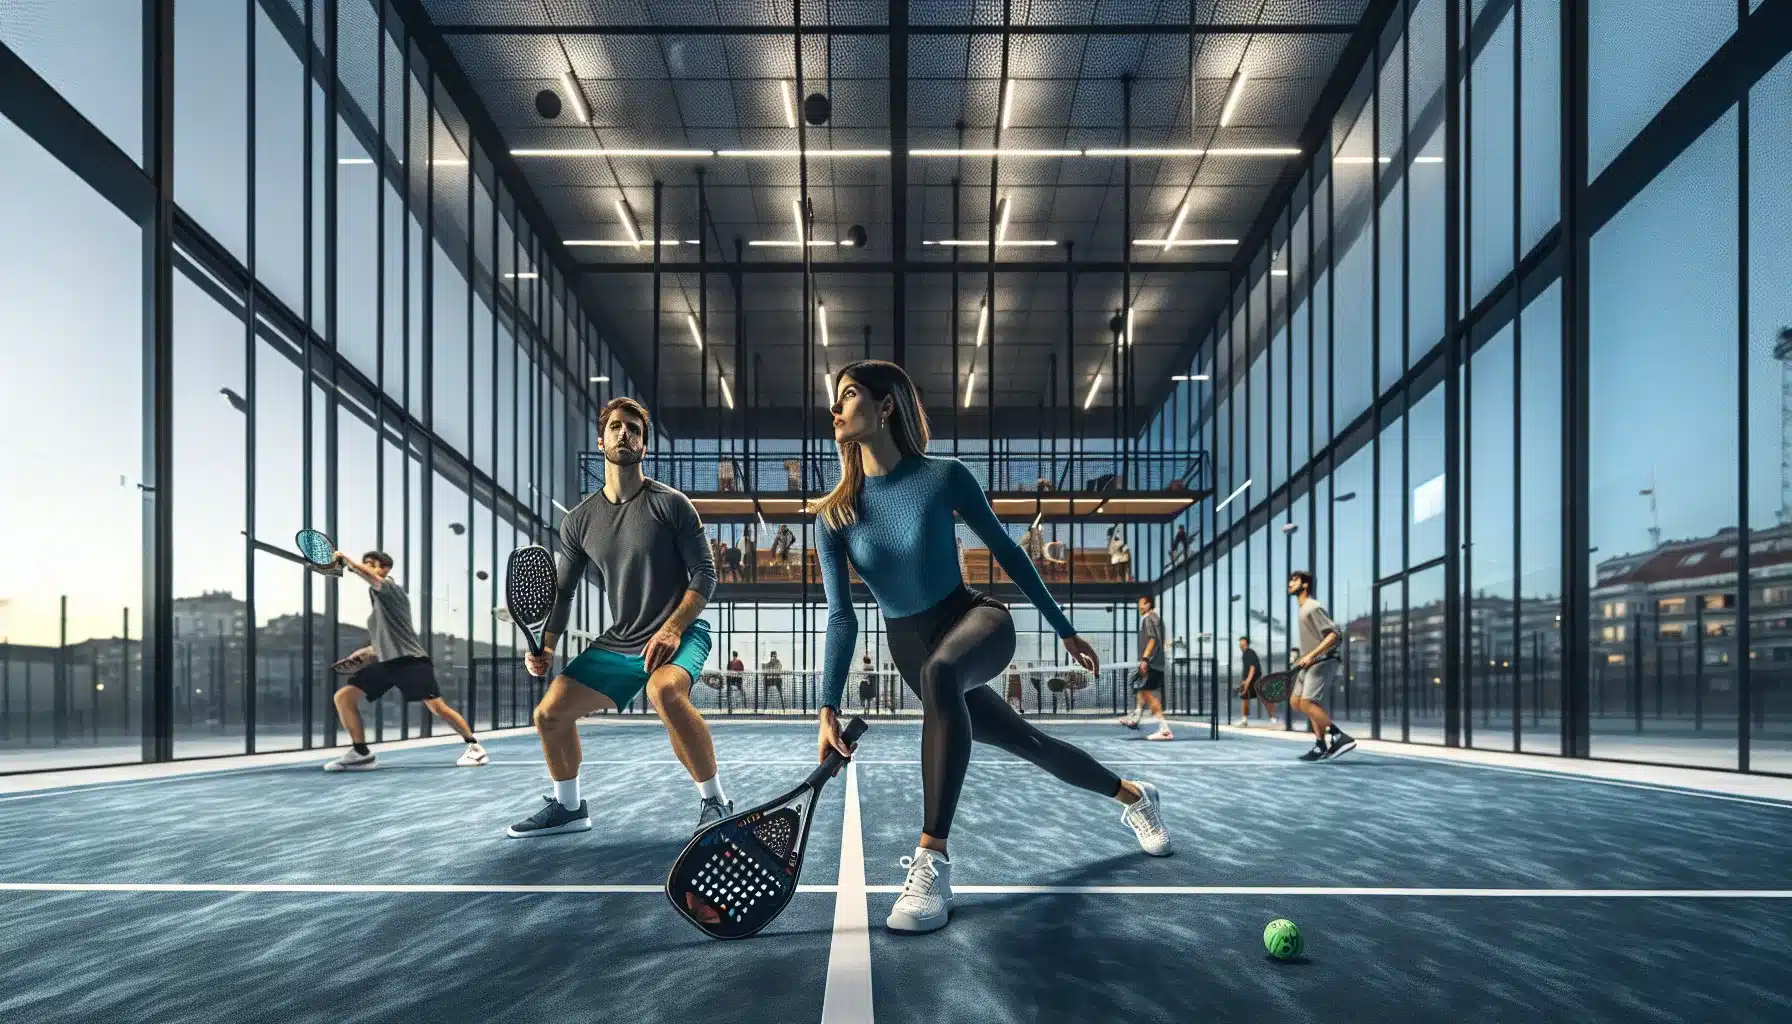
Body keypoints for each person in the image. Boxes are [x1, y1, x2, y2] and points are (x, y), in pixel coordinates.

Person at [812, 360, 1171, 935]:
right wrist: (826, 707)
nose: (835, 407)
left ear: (886, 407)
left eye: (849, 394)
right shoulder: (834, 516)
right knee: (1028, 741)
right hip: (913, 651)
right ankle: (1134, 795)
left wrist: (1063, 626)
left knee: (943, 670)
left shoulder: (944, 476)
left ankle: (933, 858)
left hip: (976, 620)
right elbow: (840, 618)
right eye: (835, 397)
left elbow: (1008, 551)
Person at [506, 397, 728, 838]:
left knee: (665, 692)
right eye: (615, 427)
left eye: (634, 429)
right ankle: (569, 808)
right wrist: (547, 644)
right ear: (601, 439)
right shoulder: (579, 521)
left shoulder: (672, 504)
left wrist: (672, 627)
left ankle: (716, 802)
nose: (624, 433)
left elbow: (705, 574)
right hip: (621, 639)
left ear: (643, 446)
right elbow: (563, 590)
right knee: (549, 714)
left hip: (679, 632)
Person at [323, 550, 486, 771]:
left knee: (437, 707)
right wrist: (363, 653)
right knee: (343, 697)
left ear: (385, 569)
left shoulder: (389, 589)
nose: (368, 567)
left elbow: (371, 577)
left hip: (411, 662)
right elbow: (388, 640)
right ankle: (361, 754)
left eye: (372, 564)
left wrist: (348, 562)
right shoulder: (379, 609)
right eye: (366, 564)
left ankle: (475, 748)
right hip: (387, 663)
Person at [1288, 569, 1356, 762]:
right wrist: (1298, 654)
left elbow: (1334, 635)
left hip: (1323, 661)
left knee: (1307, 702)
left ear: (1305, 585)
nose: (1290, 583)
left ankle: (1338, 736)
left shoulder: (1312, 607)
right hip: (1307, 663)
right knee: (1297, 702)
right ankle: (1320, 745)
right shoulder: (1302, 610)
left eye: (1294, 580)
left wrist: (1311, 655)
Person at [1118, 595, 1172, 740]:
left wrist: (1145, 659)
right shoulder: (1157, 619)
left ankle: (1164, 729)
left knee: (1148, 694)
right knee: (1142, 691)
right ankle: (1135, 718)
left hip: (1152, 662)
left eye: (1141, 604)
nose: (1139, 607)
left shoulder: (1148, 619)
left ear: (1148, 605)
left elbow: (1153, 639)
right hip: (1157, 662)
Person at [1236, 635, 1275, 727]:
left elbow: (1252, 668)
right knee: (1244, 698)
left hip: (1255, 680)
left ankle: (1273, 719)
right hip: (1249, 680)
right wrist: (1244, 681)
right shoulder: (1245, 653)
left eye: (1242, 644)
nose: (1241, 645)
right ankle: (1244, 720)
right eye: (1240, 644)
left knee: (1265, 699)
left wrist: (1247, 682)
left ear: (1246, 644)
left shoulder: (1250, 653)